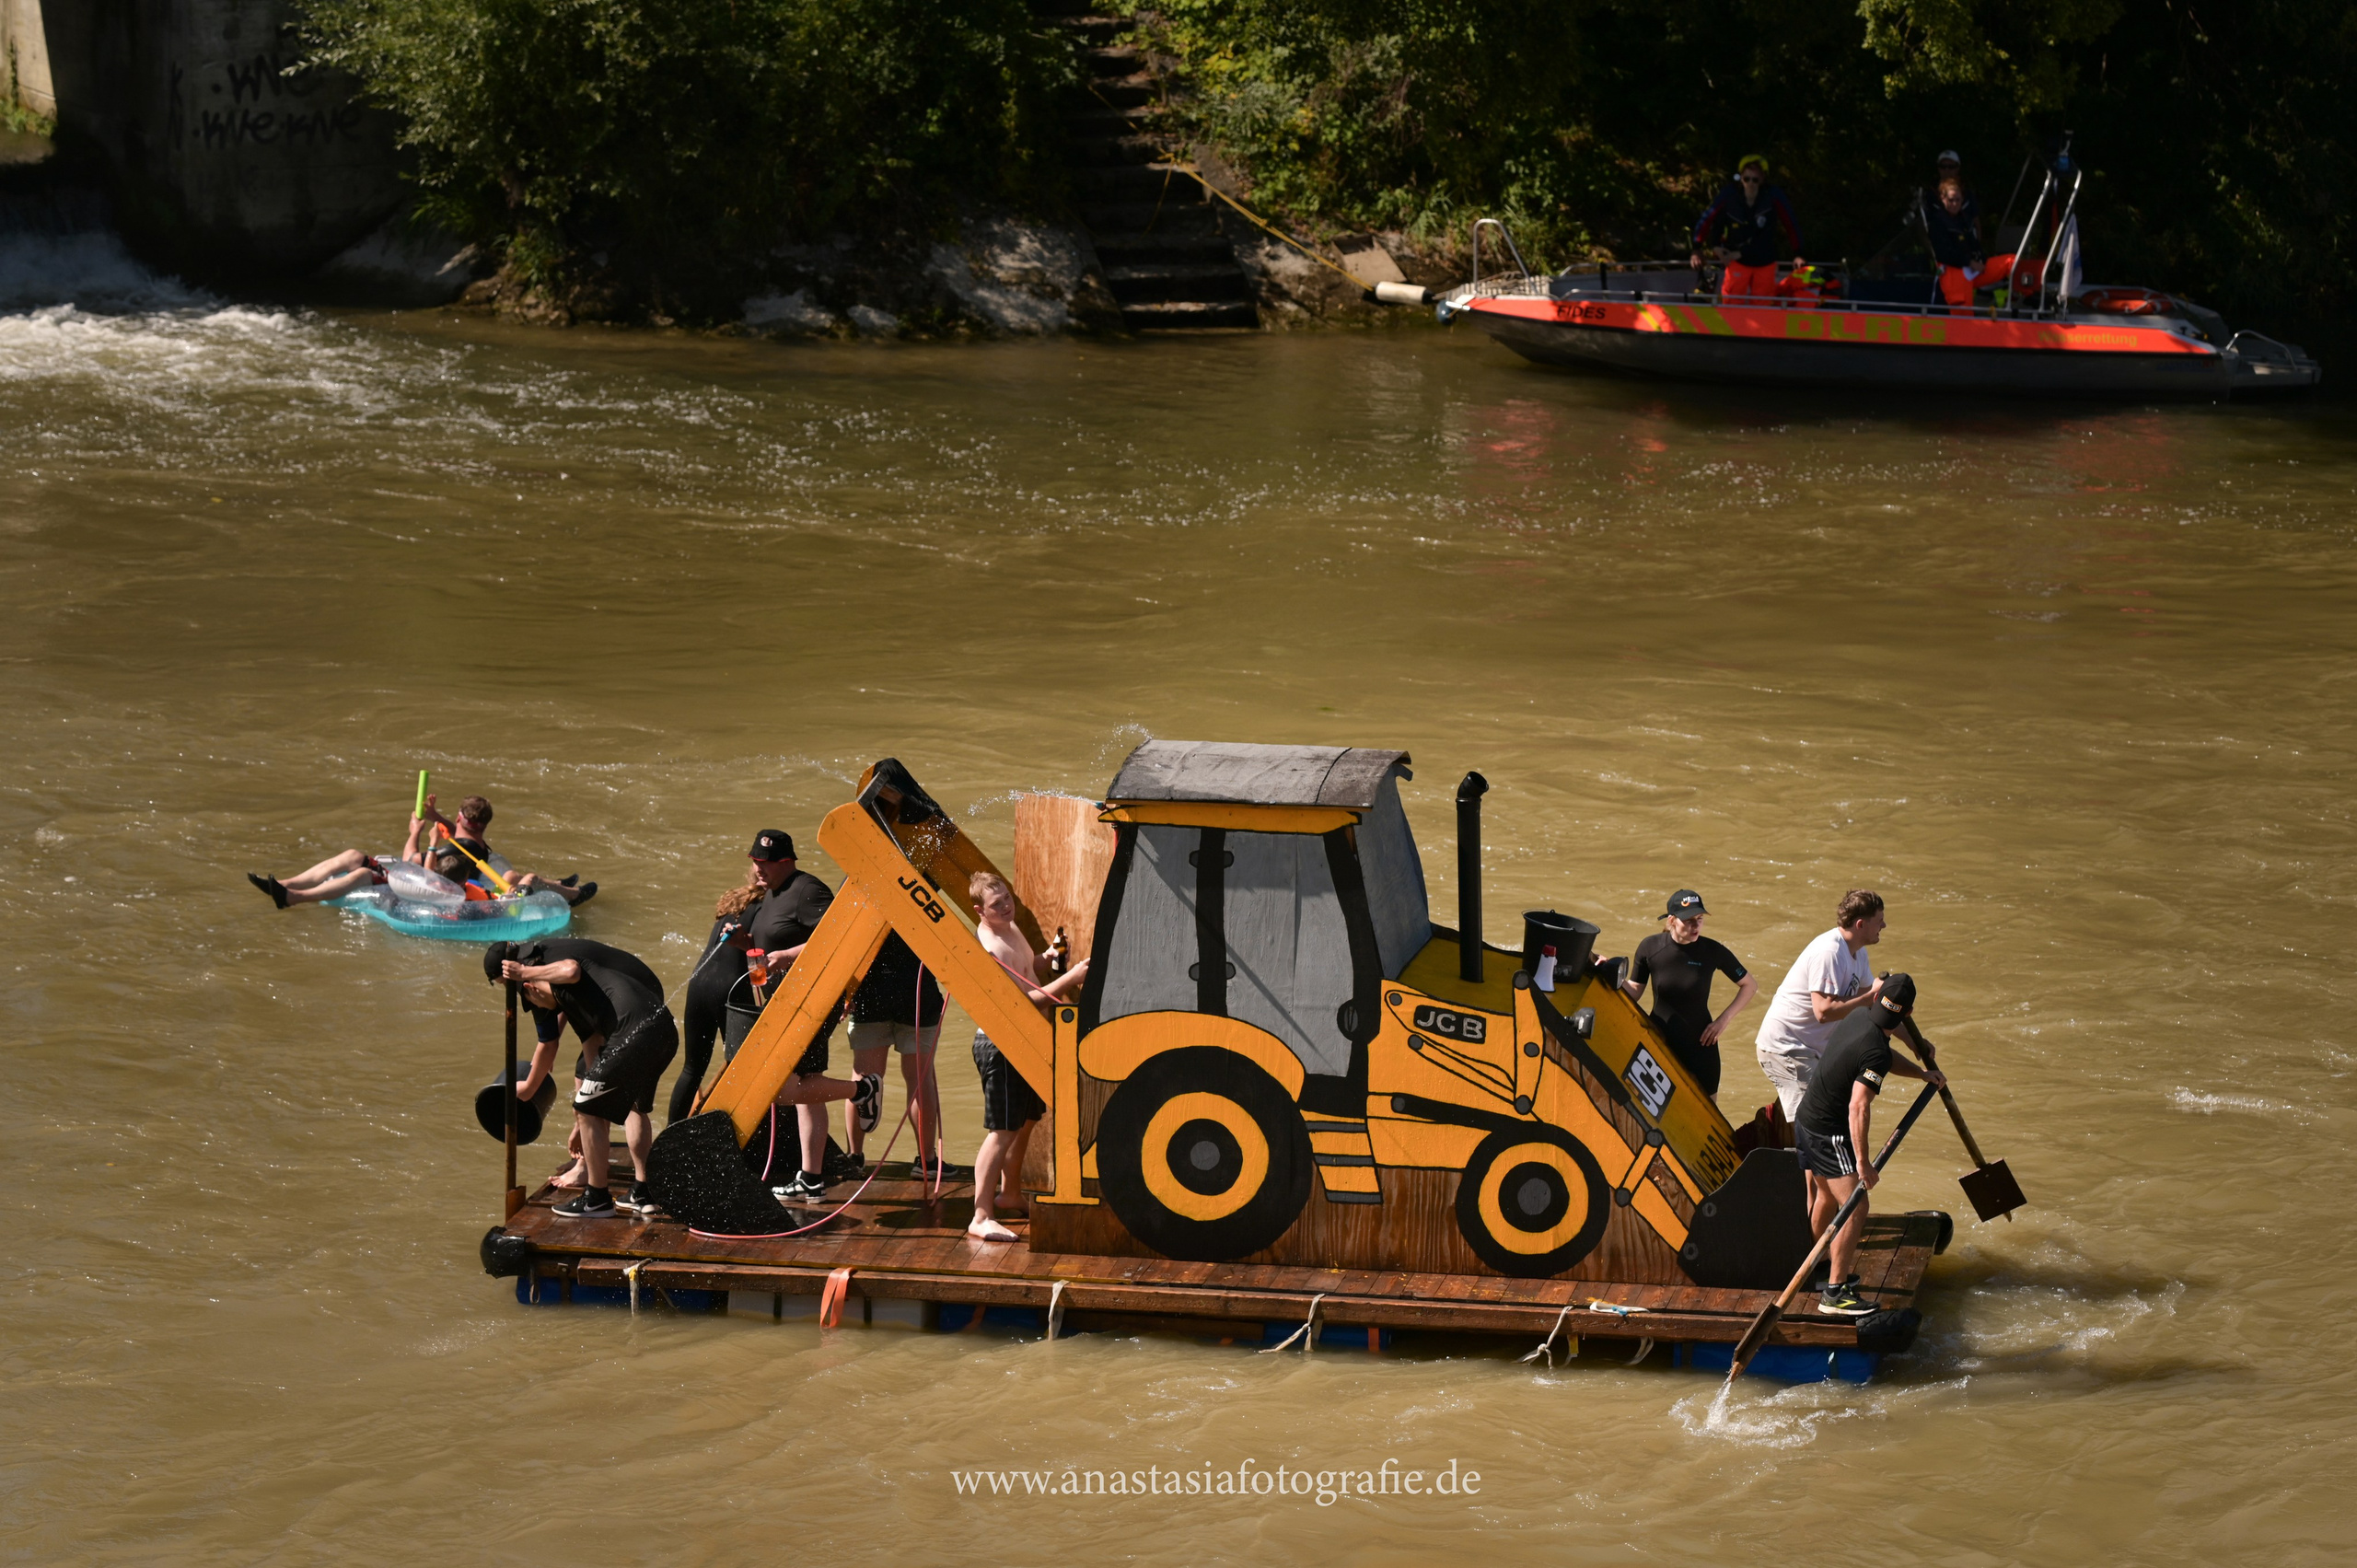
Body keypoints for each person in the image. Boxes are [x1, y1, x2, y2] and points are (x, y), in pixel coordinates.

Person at [737, 829, 880, 1204]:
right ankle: (811, 1178)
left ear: (786, 861)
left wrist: (785, 956)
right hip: (785, 1002)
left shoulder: (808, 890)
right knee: (809, 1088)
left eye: (764, 863)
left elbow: (838, 938)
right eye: (754, 862)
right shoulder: (771, 892)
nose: (757, 869)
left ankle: (864, 1089)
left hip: (812, 1002)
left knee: (787, 1087)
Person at [493, 937, 677, 1220]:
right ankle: (643, 1193)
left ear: (529, 987)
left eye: (532, 1001)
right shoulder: (580, 1005)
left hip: (635, 1031)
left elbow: (570, 970)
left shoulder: (563, 973)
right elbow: (593, 1055)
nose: (545, 1012)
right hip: (662, 1030)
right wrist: (587, 1106)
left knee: (589, 1107)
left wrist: (522, 973)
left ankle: (597, 1199)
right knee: (631, 1107)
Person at [1791, 972, 1941, 1315]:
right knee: (1856, 1206)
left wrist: (1922, 1074)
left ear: (1876, 998)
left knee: (1827, 1197)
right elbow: (1858, 1105)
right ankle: (1835, 1294)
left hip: (1807, 1118)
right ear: (1909, 1012)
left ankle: (1818, 1269)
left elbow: (1882, 1058)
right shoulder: (1875, 1048)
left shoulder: (1861, 1016)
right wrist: (1863, 1162)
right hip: (1829, 1131)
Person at [967, 871, 1088, 1243]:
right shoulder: (990, 948)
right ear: (979, 911)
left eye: (1007, 898)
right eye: (996, 904)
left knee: (1028, 1120)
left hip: (1025, 1040)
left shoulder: (1010, 928)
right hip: (999, 1044)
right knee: (1001, 1131)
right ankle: (981, 1214)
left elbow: (1027, 972)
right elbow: (1021, 1002)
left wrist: (1047, 957)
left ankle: (1010, 1193)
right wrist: (1071, 979)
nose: (1005, 906)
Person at [847, 931, 968, 1182]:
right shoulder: (924, 890)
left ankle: (854, 1158)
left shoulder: (860, 893)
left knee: (863, 1079)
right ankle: (927, 1162)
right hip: (917, 993)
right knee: (919, 1081)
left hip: (870, 994)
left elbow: (846, 940)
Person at [1616, 889, 1758, 1098]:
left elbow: (1750, 985)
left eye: (1699, 919)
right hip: (1659, 1044)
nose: (1696, 926)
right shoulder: (1650, 947)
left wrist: (1722, 1021)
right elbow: (1634, 992)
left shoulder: (1712, 951)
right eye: (1689, 920)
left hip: (1701, 1047)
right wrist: (1606, 973)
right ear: (1672, 920)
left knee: (1706, 1120)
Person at [663, 870, 763, 1125]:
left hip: (699, 981)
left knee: (692, 1069)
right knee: (743, 1068)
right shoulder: (768, 906)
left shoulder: (735, 899)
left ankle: (670, 1137)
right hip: (730, 986)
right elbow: (760, 954)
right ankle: (737, 1132)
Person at [247, 805, 447, 907]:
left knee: (362, 874)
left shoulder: (463, 849)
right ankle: (286, 884)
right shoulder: (465, 842)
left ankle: (293, 898)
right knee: (353, 855)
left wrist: (427, 840)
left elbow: (427, 880)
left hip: (410, 890)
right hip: (403, 877)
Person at [419, 793, 596, 907]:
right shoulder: (469, 845)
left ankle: (561, 887)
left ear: (459, 819)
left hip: (490, 905)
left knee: (511, 876)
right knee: (528, 878)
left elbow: (415, 862)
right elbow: (459, 836)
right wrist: (435, 817)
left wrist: (416, 832)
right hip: (491, 905)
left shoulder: (456, 851)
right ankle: (571, 893)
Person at [1689, 155, 1804, 299]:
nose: (1751, 183)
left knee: (1763, 307)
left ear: (1763, 179)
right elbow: (1710, 218)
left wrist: (1798, 253)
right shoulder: (1730, 194)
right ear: (1740, 178)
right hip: (1737, 262)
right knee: (1732, 304)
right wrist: (1699, 247)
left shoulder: (1773, 196)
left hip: (1764, 261)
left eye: (1755, 180)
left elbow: (1790, 223)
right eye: (1746, 179)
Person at [1923, 176, 2015, 308]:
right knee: (1964, 317)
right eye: (1951, 200)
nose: (1955, 204)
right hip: (1954, 273)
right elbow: (1943, 254)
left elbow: (1974, 243)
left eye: (1958, 200)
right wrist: (1969, 262)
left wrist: (1981, 258)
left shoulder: (1963, 219)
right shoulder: (1938, 222)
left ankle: (2025, 296)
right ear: (1943, 199)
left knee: (2012, 262)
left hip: (1973, 269)